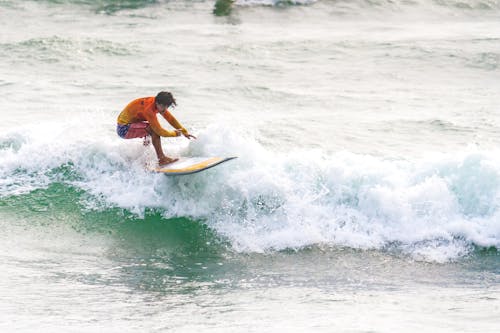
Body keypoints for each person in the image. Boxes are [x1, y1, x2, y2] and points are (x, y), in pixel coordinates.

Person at [116, 91, 196, 165]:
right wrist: (175, 133)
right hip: (123, 129)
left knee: (150, 130)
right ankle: (161, 159)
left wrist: (184, 131)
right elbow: (160, 131)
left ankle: (144, 159)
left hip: (133, 124)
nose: (165, 109)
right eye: (163, 106)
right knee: (153, 130)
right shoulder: (149, 109)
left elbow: (170, 118)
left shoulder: (158, 104)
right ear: (157, 103)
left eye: (167, 107)